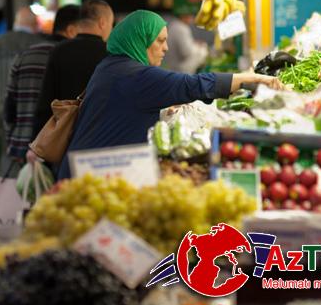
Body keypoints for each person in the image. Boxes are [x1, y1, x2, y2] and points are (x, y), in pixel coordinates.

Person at [56, 10, 282, 180]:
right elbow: (192, 84)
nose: (165, 48)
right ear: (140, 39)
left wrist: (161, 111)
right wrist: (252, 78)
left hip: (86, 167)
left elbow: (122, 108)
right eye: (160, 41)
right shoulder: (134, 74)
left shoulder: (111, 66)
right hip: (88, 177)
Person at [4, 5, 81, 162]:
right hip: (57, 147)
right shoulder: (71, 58)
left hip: (23, 144)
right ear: (72, 30)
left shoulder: (25, 55)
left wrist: (14, 135)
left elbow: (9, 106)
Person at [31, 0, 114, 142]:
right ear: (102, 22)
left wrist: (37, 140)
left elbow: (46, 100)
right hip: (99, 137)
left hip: (63, 139)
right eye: (111, 24)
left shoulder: (59, 50)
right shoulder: (111, 54)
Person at [0, 7, 42, 169]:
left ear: (17, 22)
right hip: (32, 107)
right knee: (33, 149)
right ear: (34, 24)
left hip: (4, 106)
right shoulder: (39, 43)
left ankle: (8, 185)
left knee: (8, 149)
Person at [162, 9, 209, 74]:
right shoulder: (181, 28)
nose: (192, 18)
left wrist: (193, 44)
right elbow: (186, 52)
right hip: (180, 70)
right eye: (191, 15)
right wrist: (199, 47)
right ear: (184, 15)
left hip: (172, 67)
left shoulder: (174, 25)